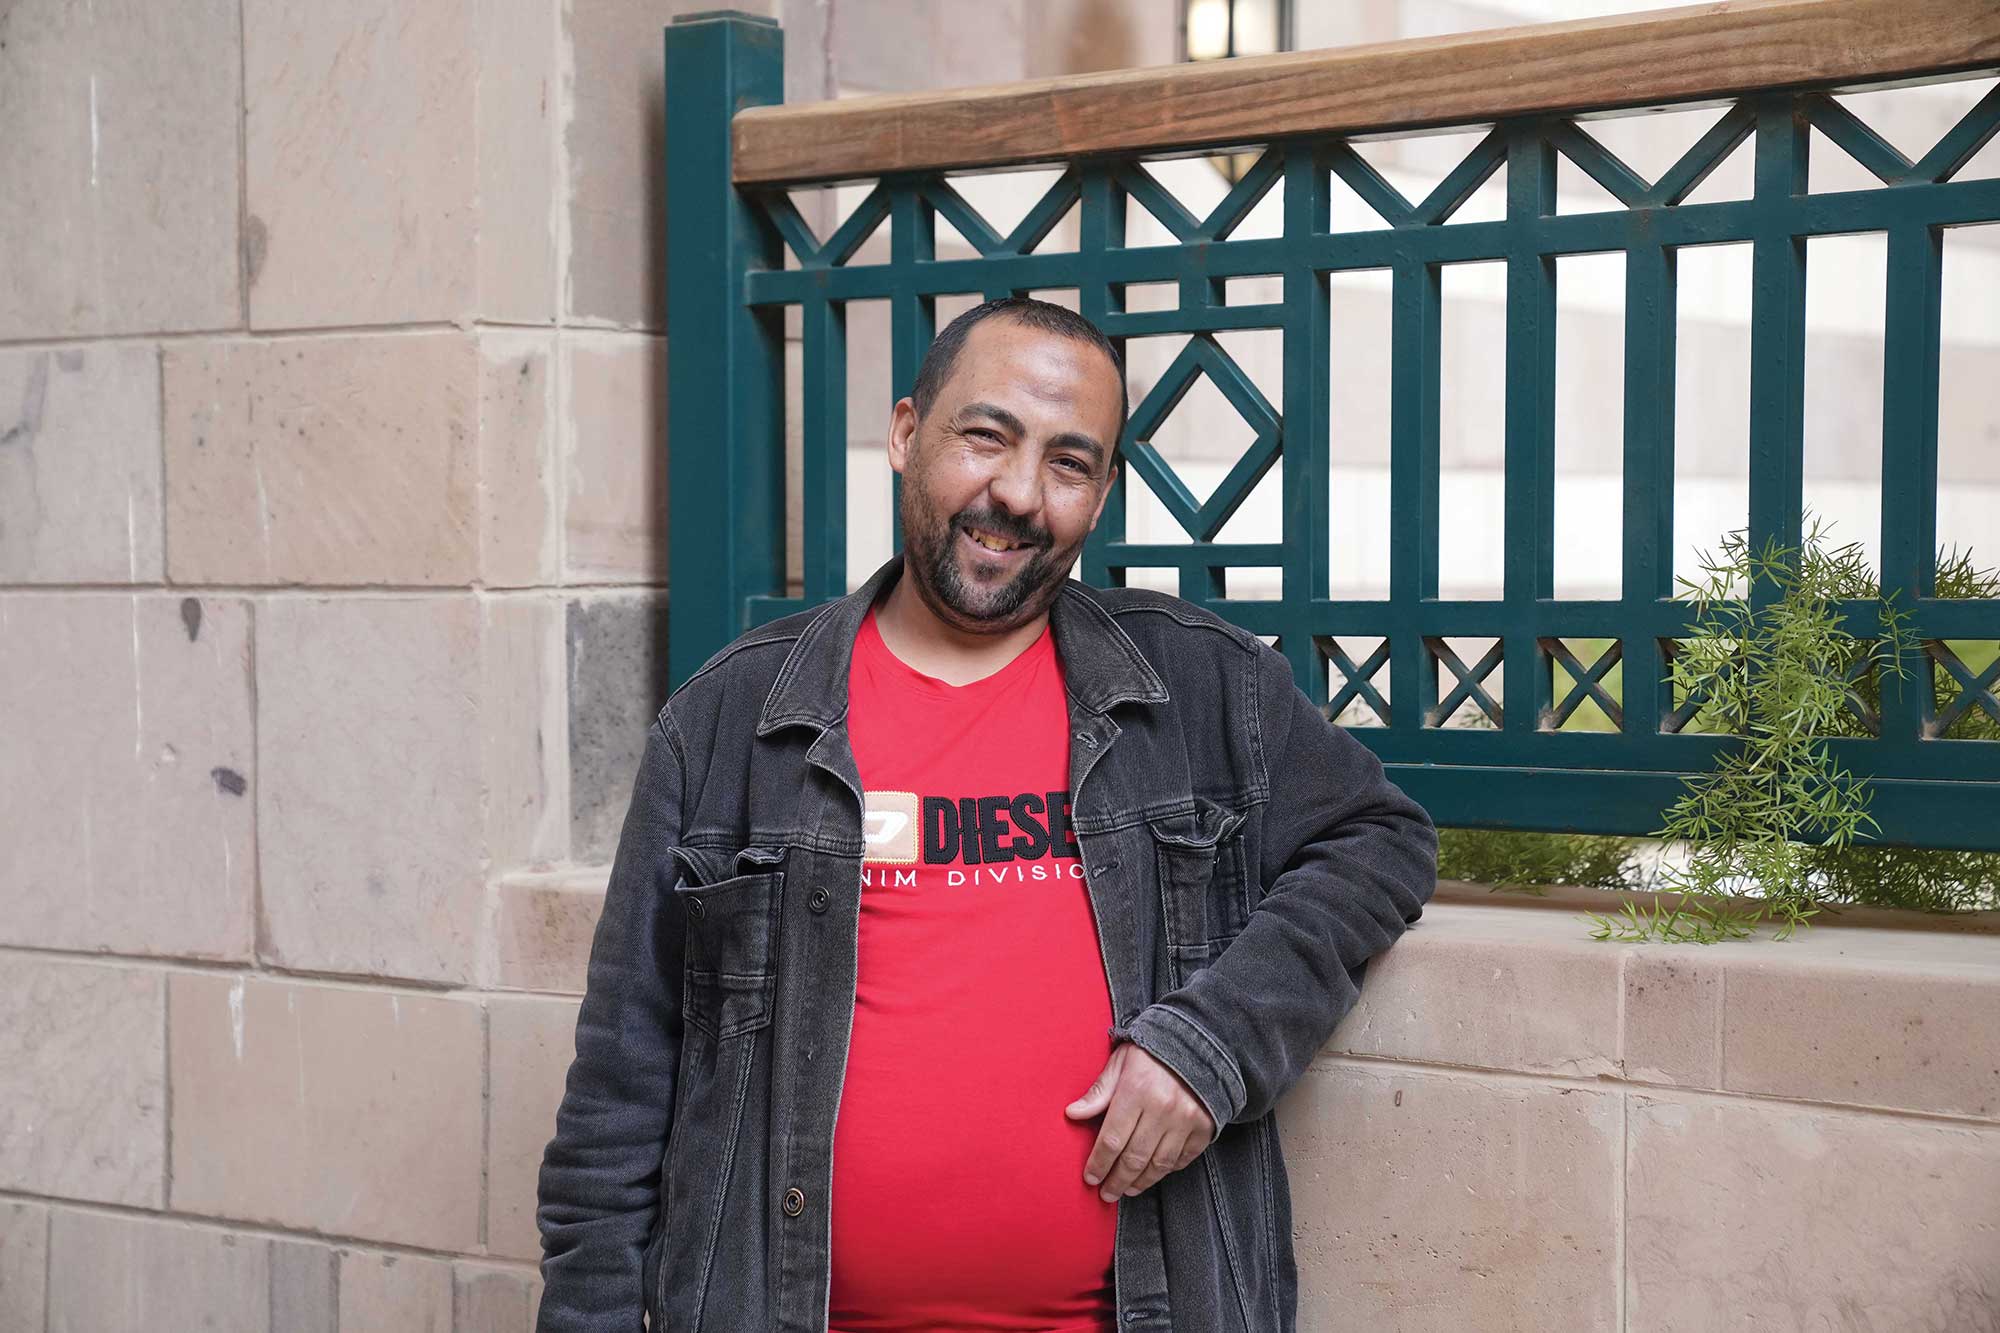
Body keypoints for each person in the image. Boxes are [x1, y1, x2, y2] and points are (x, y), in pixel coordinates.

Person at [535, 297, 1437, 1332]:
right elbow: (616, 1096)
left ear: (1099, 496)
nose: (1015, 494)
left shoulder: (1196, 688)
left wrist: (1215, 1038)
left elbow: (1379, 838)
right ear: (907, 434)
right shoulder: (733, 717)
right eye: (985, 437)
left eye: (1066, 461)